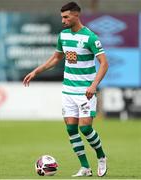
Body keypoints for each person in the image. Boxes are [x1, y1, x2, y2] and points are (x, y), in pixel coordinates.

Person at [23, 2, 108, 177]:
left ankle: (101, 156)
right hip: (68, 91)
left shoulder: (90, 38)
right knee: (71, 130)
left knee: (85, 129)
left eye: (66, 17)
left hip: (85, 92)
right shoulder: (63, 35)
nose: (63, 20)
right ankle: (85, 167)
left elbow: (104, 64)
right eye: (62, 17)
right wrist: (35, 71)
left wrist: (93, 86)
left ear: (77, 15)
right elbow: (56, 58)